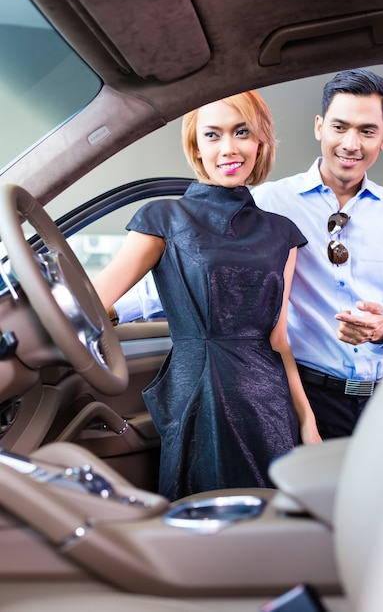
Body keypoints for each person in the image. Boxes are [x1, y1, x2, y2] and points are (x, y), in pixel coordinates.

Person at [94, 90, 321, 501]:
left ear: (260, 141)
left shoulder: (282, 232)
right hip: (198, 393)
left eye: (242, 132)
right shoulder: (163, 218)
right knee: (203, 522)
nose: (229, 148)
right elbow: (91, 299)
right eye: (213, 135)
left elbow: (278, 339)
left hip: (268, 402)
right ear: (196, 146)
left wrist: (307, 421)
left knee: (271, 524)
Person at [251, 68, 383, 440]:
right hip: (306, 398)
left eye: (367, 131)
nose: (351, 144)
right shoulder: (268, 202)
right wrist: (113, 311)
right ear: (319, 126)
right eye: (340, 127)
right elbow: (206, 267)